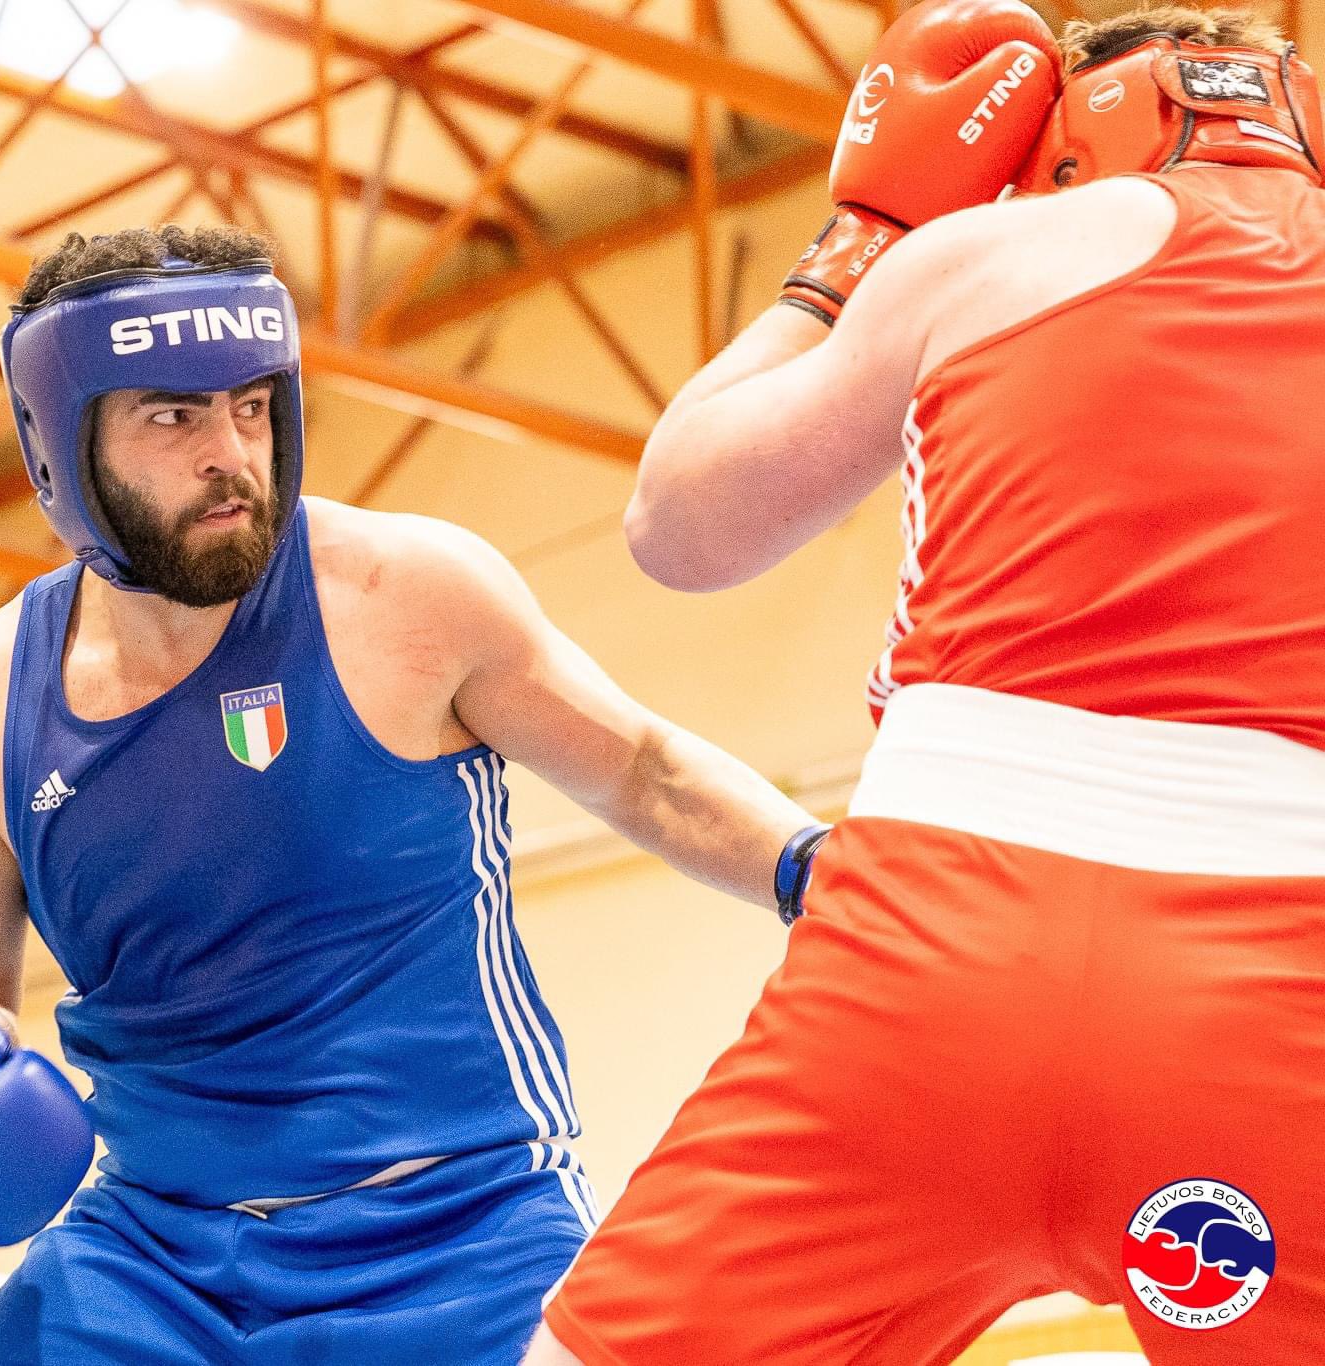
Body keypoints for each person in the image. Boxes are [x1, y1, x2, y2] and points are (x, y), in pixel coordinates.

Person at [529, 2, 1325, 1363]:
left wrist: (866, 239)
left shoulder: (987, 252)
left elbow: (683, 525)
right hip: (1279, 988)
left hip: (928, 965)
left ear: (1066, 141)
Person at [0, 223, 823, 1364]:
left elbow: (644, 770)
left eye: (247, 405)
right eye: (171, 417)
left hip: (454, 1242)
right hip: (150, 1258)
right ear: (59, 446)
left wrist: (821, 871)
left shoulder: (405, 595)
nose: (229, 450)